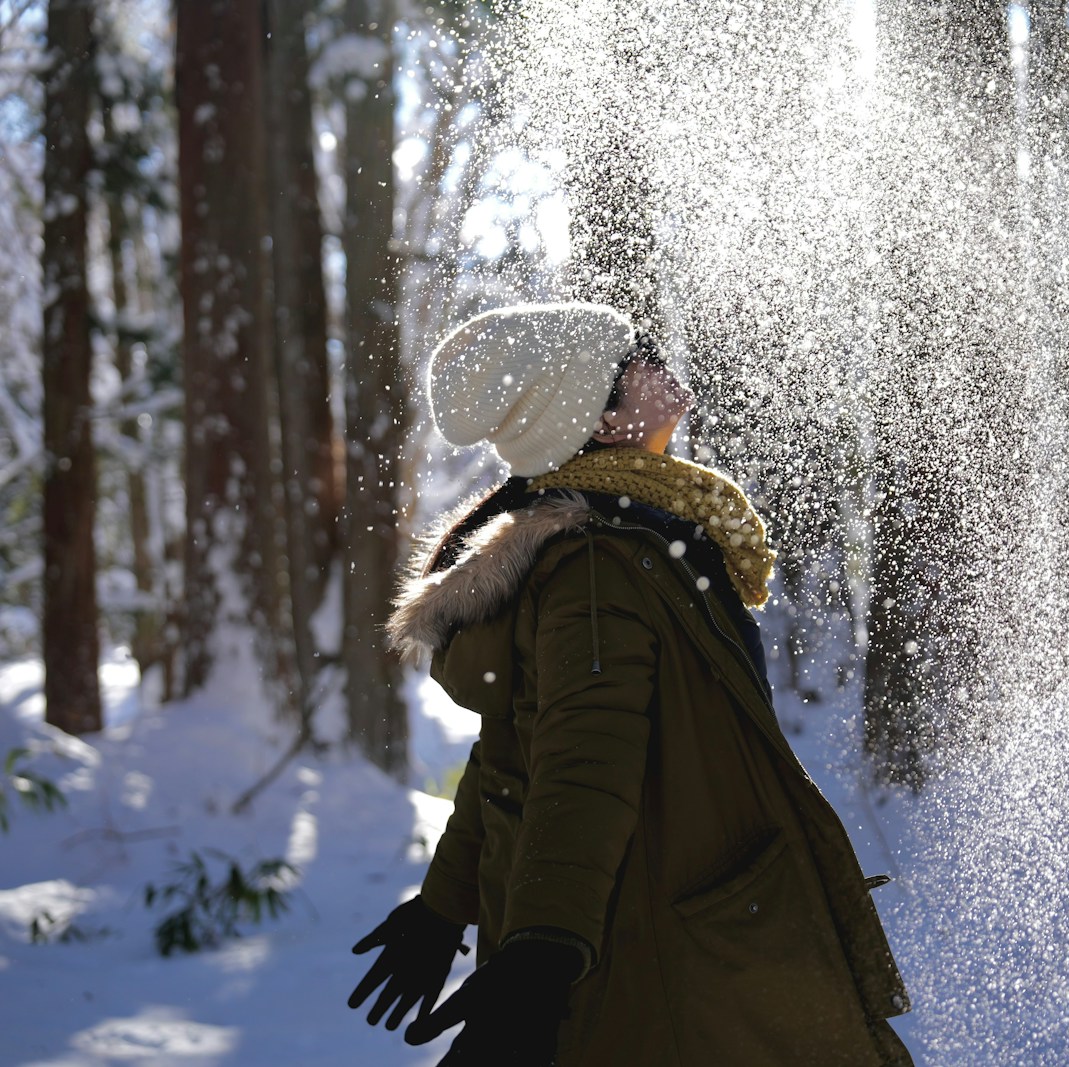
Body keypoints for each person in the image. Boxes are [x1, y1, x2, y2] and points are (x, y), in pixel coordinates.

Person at [348, 302, 913, 1066]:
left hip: (672, 908)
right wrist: (542, 953)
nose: (658, 361)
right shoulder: (599, 566)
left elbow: (520, 741)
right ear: (603, 420)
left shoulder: (620, 530)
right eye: (634, 359)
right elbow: (582, 760)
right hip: (663, 936)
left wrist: (447, 904)